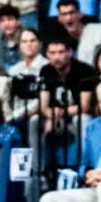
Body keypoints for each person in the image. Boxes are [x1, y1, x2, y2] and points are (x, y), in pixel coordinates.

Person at [38, 33, 94, 173]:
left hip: (77, 116)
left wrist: (59, 112)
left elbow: (85, 106)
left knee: (82, 119)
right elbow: (43, 105)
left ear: (70, 53)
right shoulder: (46, 71)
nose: (56, 57)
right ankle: (41, 171)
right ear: (47, 54)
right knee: (34, 121)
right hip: (58, 118)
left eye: (61, 52)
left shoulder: (84, 70)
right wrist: (50, 114)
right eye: (52, 53)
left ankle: (84, 169)